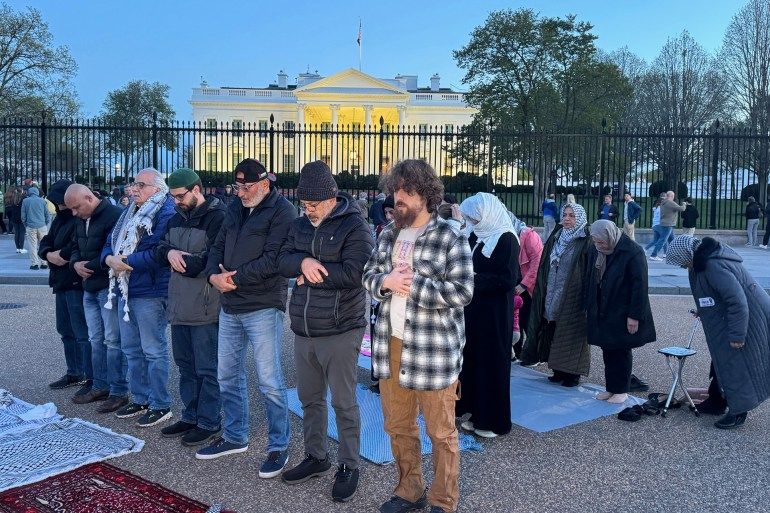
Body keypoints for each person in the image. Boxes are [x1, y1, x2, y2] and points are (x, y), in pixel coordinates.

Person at [362, 159, 474, 513]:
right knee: (398, 425)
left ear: (425, 194)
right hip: (391, 344)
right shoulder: (388, 234)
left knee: (441, 432)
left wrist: (414, 287)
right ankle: (410, 492)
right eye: (396, 190)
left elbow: (463, 291)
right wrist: (385, 282)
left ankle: (444, 500)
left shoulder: (450, 236)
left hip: (433, 350)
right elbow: (368, 274)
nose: (399, 198)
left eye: (407, 191)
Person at [278, 161, 375, 502]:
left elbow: (356, 273)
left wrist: (313, 273)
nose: (309, 210)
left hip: (340, 328)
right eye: (304, 204)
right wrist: (302, 263)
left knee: (344, 402)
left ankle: (349, 465)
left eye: (314, 204)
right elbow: (282, 260)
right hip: (304, 328)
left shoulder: (355, 226)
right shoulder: (300, 224)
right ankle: (316, 456)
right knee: (309, 399)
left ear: (332, 198)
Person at [198, 158, 295, 481]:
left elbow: (275, 260)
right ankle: (235, 436)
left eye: (246, 187)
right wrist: (213, 276)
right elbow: (217, 246)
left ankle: (279, 445)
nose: (240, 193)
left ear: (265, 184)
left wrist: (234, 279)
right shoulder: (235, 208)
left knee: (269, 380)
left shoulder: (283, 211)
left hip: (263, 304)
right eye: (237, 187)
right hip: (230, 304)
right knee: (227, 374)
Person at [666, 235, 770, 429]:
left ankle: (738, 411)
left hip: (746, 320)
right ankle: (716, 401)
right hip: (734, 318)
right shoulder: (702, 262)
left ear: (686, 254)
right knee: (721, 362)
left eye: (680, 261)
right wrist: (704, 311)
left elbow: (737, 301)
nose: (681, 266)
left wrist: (737, 335)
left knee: (736, 365)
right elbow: (714, 295)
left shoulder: (712, 265)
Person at [155, 169, 226, 447]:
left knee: (207, 368)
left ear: (196, 190)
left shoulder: (218, 218)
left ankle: (209, 421)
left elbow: (212, 259)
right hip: (179, 305)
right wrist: (170, 253)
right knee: (185, 366)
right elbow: (159, 250)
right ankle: (191, 415)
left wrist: (182, 261)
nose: (176, 202)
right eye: (173, 197)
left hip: (206, 306)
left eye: (180, 196)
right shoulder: (175, 218)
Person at [102, 167, 176, 428]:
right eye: (133, 184)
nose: (134, 189)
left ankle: (160, 404)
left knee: (153, 351)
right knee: (132, 349)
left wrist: (125, 261)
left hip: (151, 291)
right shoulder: (129, 212)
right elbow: (110, 242)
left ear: (157, 188)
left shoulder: (166, 212)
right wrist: (108, 259)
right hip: (126, 288)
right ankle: (141, 398)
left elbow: (159, 252)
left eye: (141, 185)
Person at [455, 192, 520, 438]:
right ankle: (475, 412)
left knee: (492, 364)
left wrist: (475, 280)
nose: (472, 222)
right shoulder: (477, 234)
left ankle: (493, 420)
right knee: (473, 361)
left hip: (494, 314)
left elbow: (508, 279)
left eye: (475, 217)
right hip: (474, 310)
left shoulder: (506, 238)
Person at [66, 184, 129, 413]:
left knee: (113, 340)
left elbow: (114, 251)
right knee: (96, 339)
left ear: (89, 198)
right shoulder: (81, 218)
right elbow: (75, 246)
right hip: (89, 287)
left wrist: (87, 266)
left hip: (107, 287)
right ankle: (100, 385)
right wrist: (75, 264)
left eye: (76, 207)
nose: (74, 213)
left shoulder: (114, 215)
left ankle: (118, 390)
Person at [585, 220, 656, 404]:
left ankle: (622, 390)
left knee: (621, 349)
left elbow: (640, 285)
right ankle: (611, 388)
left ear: (610, 236)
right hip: (604, 308)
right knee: (607, 348)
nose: (599, 245)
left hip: (622, 309)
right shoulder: (596, 250)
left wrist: (634, 316)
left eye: (601, 242)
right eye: (596, 241)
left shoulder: (632, 251)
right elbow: (591, 277)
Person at [521, 203, 591, 387]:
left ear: (580, 219)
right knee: (552, 328)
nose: (567, 219)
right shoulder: (557, 237)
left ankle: (572, 374)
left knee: (570, 332)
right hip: (552, 290)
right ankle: (557, 370)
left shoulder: (585, 240)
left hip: (572, 293)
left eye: (572, 216)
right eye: (565, 214)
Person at [38, 180, 91, 396]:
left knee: (81, 332)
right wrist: (49, 254)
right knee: (65, 330)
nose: (60, 207)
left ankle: (87, 374)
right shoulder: (60, 219)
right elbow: (46, 241)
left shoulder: (77, 217)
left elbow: (77, 245)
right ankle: (75, 371)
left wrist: (56, 254)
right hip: (61, 280)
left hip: (74, 281)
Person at [510, 214, 543, 361]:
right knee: (515, 321)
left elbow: (537, 262)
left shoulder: (529, 236)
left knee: (528, 320)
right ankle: (517, 353)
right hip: (515, 283)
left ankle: (532, 355)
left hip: (527, 286)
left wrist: (524, 284)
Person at [21, 186, 52, 269]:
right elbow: (47, 215)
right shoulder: (42, 201)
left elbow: (23, 216)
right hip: (42, 226)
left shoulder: (25, 201)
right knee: (43, 245)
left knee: (32, 245)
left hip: (30, 226)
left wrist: (26, 224)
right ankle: (44, 263)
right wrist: (45, 223)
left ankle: (34, 264)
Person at [649, 191, 684, 261]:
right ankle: (654, 255)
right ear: (671, 196)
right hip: (668, 224)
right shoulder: (670, 202)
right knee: (662, 240)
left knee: (672, 240)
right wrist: (684, 204)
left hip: (664, 223)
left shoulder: (663, 202)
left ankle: (674, 254)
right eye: (673, 196)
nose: (673, 197)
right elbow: (682, 209)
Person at [7, 188, 27, 253]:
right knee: (22, 233)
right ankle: (21, 248)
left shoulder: (13, 199)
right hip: (21, 218)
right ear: (21, 191)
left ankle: (17, 248)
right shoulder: (23, 199)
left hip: (14, 218)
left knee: (17, 233)